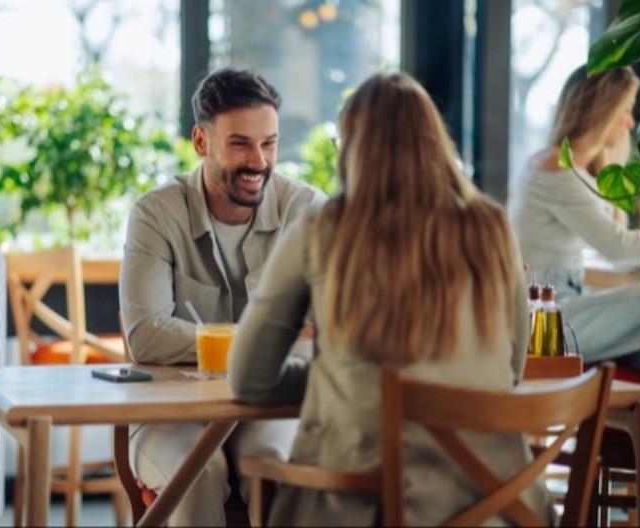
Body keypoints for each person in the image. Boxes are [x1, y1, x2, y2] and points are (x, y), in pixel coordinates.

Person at [228, 72, 554, 526]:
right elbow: (508, 372)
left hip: (362, 507)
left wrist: (337, 380)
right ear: (435, 141)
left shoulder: (323, 227)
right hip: (497, 508)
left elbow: (248, 378)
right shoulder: (493, 227)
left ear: (352, 149)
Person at [119, 67, 326, 526]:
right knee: (199, 472)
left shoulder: (306, 209)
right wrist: (266, 338)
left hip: (267, 407)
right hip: (170, 413)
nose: (259, 161)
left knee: (276, 467)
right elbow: (146, 337)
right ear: (200, 141)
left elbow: (328, 330)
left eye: (269, 143)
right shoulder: (156, 214)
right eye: (240, 144)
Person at [508, 64, 640, 385]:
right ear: (603, 111)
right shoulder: (557, 171)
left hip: (558, 308)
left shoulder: (555, 164)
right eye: (627, 110)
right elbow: (619, 246)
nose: (631, 122)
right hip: (548, 319)